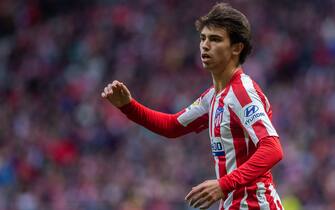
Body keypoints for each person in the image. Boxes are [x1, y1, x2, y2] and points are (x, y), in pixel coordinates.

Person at [101, 3, 284, 210]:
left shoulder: (242, 92)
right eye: (203, 38)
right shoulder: (214, 97)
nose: (205, 45)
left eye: (215, 39)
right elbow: (172, 126)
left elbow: (272, 148)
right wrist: (129, 107)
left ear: (236, 47)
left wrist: (223, 185)